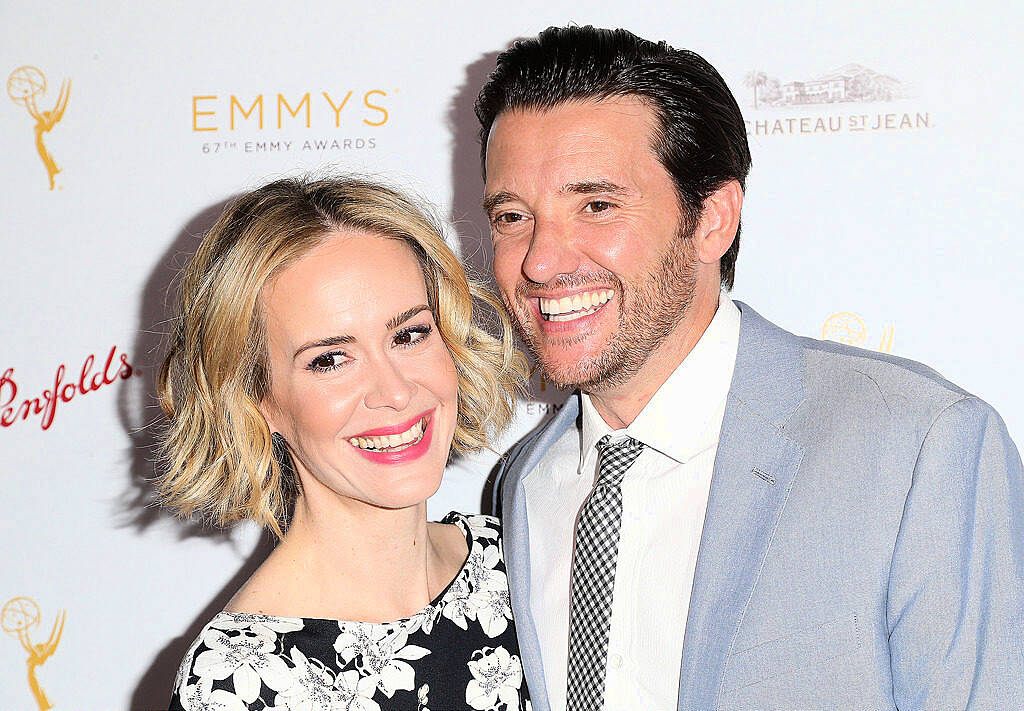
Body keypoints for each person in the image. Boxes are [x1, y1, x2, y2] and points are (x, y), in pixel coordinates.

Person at [476, 25, 1024, 711]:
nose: (541, 260)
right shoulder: (520, 483)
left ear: (712, 218)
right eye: (512, 215)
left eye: (597, 205)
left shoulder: (920, 447)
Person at [157, 177, 531, 710]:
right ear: (256, 398)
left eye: (408, 335)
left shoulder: (515, 562)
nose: (396, 392)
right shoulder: (240, 686)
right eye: (330, 359)